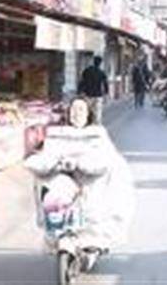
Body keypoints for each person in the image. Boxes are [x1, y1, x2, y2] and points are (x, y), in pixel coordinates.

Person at [25, 97, 135, 268]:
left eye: (81, 110)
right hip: (63, 187)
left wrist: (81, 164)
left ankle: (92, 247)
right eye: (74, 110)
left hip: (91, 187)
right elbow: (45, 157)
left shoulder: (98, 136)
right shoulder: (56, 135)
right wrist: (52, 163)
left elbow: (107, 161)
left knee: (92, 222)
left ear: (88, 114)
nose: (77, 114)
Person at [79, 56, 109, 123]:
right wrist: (106, 93)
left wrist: (80, 91)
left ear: (93, 62)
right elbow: (105, 84)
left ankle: (87, 122)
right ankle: (96, 123)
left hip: (88, 94)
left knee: (87, 109)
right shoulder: (101, 72)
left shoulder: (87, 71)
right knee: (97, 111)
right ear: (100, 63)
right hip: (98, 94)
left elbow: (82, 81)